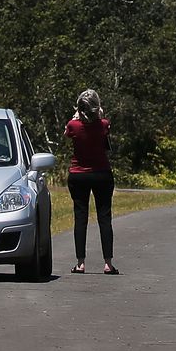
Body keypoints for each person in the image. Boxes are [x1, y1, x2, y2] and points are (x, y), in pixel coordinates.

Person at [65, 89, 117, 274]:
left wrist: (76, 117)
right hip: (101, 173)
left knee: (81, 217)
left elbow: (67, 133)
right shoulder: (104, 124)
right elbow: (104, 133)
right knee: (104, 217)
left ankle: (80, 263)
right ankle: (108, 264)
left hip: (78, 174)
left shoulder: (73, 125)